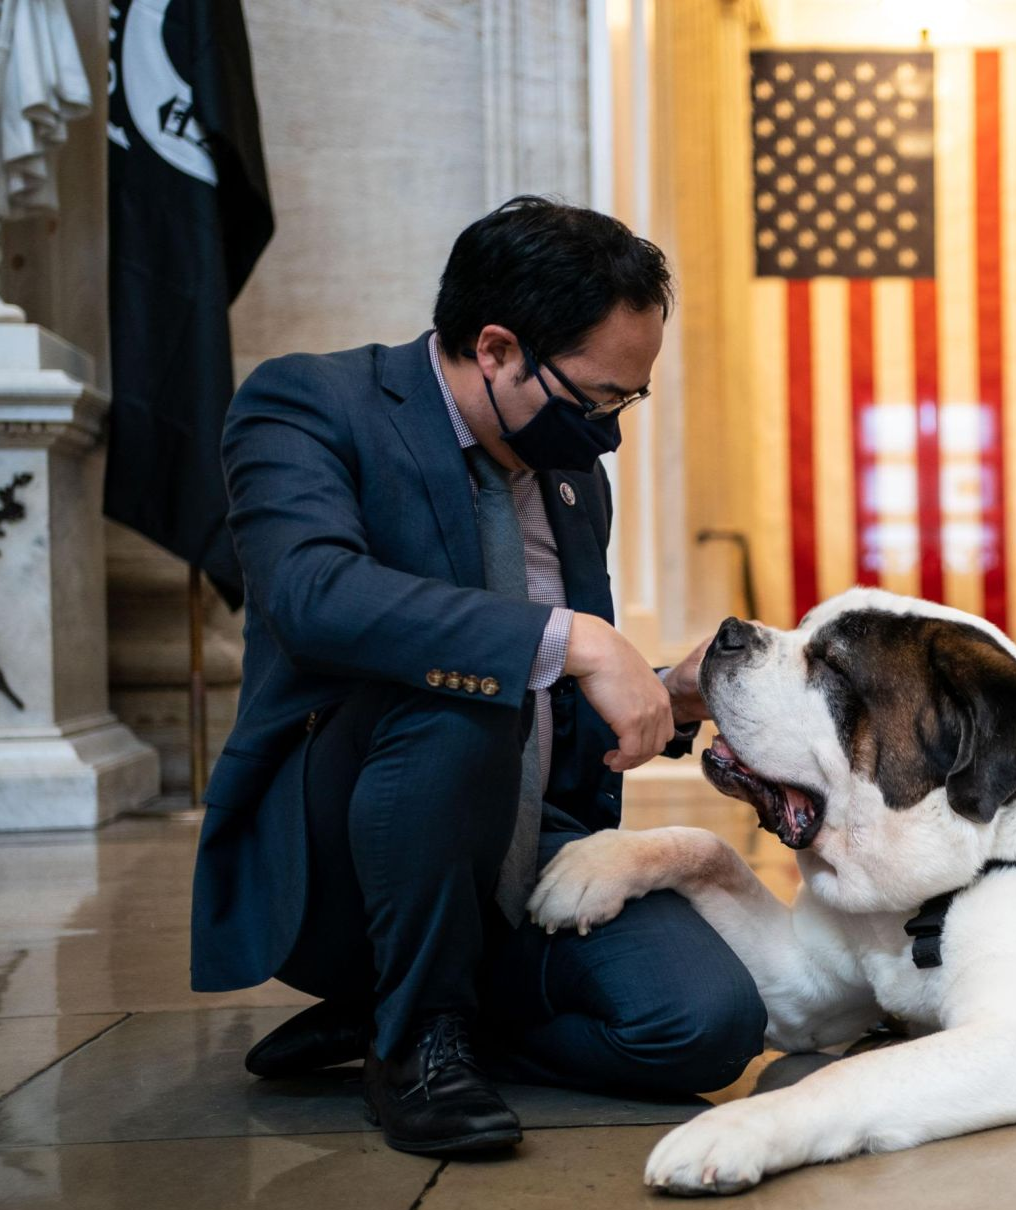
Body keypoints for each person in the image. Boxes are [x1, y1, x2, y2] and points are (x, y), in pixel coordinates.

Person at [189, 196, 767, 1156]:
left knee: (704, 1029)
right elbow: (312, 594)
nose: (609, 434)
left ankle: (428, 1010)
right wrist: (579, 641)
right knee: (462, 691)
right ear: (496, 348)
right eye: (595, 400)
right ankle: (415, 1037)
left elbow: (558, 699)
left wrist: (663, 690)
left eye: (629, 401)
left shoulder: (573, 478)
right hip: (352, 845)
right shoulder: (310, 403)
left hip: (530, 847)